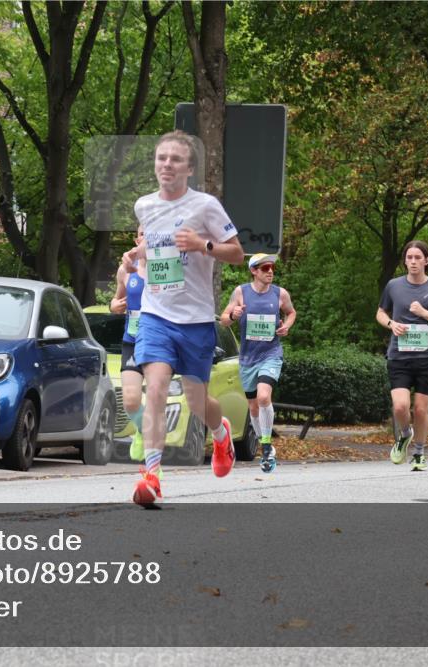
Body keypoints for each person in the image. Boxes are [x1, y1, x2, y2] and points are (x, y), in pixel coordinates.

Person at [121, 130, 245, 506]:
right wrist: (137, 256)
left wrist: (203, 245)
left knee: (196, 402)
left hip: (195, 320)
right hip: (156, 316)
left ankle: (220, 433)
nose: (167, 165)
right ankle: (152, 475)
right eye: (162, 158)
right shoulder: (144, 206)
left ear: (189, 168)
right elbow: (155, 247)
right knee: (155, 388)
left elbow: (237, 253)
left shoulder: (205, 205)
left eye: (175, 159)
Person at [375, 240, 428, 472]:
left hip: (426, 357)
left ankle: (419, 452)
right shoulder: (393, 286)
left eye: (417, 258)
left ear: (426, 261)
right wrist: (391, 324)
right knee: (400, 407)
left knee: (420, 409)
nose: (412, 262)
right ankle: (405, 434)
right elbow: (380, 313)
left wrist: (424, 312)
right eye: (409, 258)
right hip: (398, 355)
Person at [220, 253, 296, 473]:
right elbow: (224, 320)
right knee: (253, 407)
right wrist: (233, 315)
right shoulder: (240, 292)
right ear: (254, 271)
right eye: (265, 268)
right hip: (247, 359)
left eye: (272, 268)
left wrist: (287, 326)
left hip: (271, 353)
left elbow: (291, 313)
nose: (270, 271)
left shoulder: (280, 293)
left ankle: (265, 445)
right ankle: (266, 442)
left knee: (264, 397)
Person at [109, 227, 147, 463]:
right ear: (136, 239)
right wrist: (114, 305)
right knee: (131, 401)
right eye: (143, 232)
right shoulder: (125, 269)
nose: (147, 236)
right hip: (131, 341)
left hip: (159, 341)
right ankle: (143, 430)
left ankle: (153, 463)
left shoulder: (168, 269)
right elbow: (116, 298)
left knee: (155, 398)